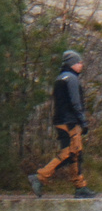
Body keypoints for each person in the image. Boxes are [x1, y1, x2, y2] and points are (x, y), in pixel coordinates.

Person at [29, 51, 94, 198]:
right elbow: (75, 102)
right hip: (70, 122)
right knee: (69, 153)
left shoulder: (60, 78)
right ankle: (40, 177)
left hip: (60, 120)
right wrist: (82, 121)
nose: (81, 65)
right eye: (79, 62)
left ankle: (80, 186)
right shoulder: (72, 79)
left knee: (75, 153)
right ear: (73, 64)